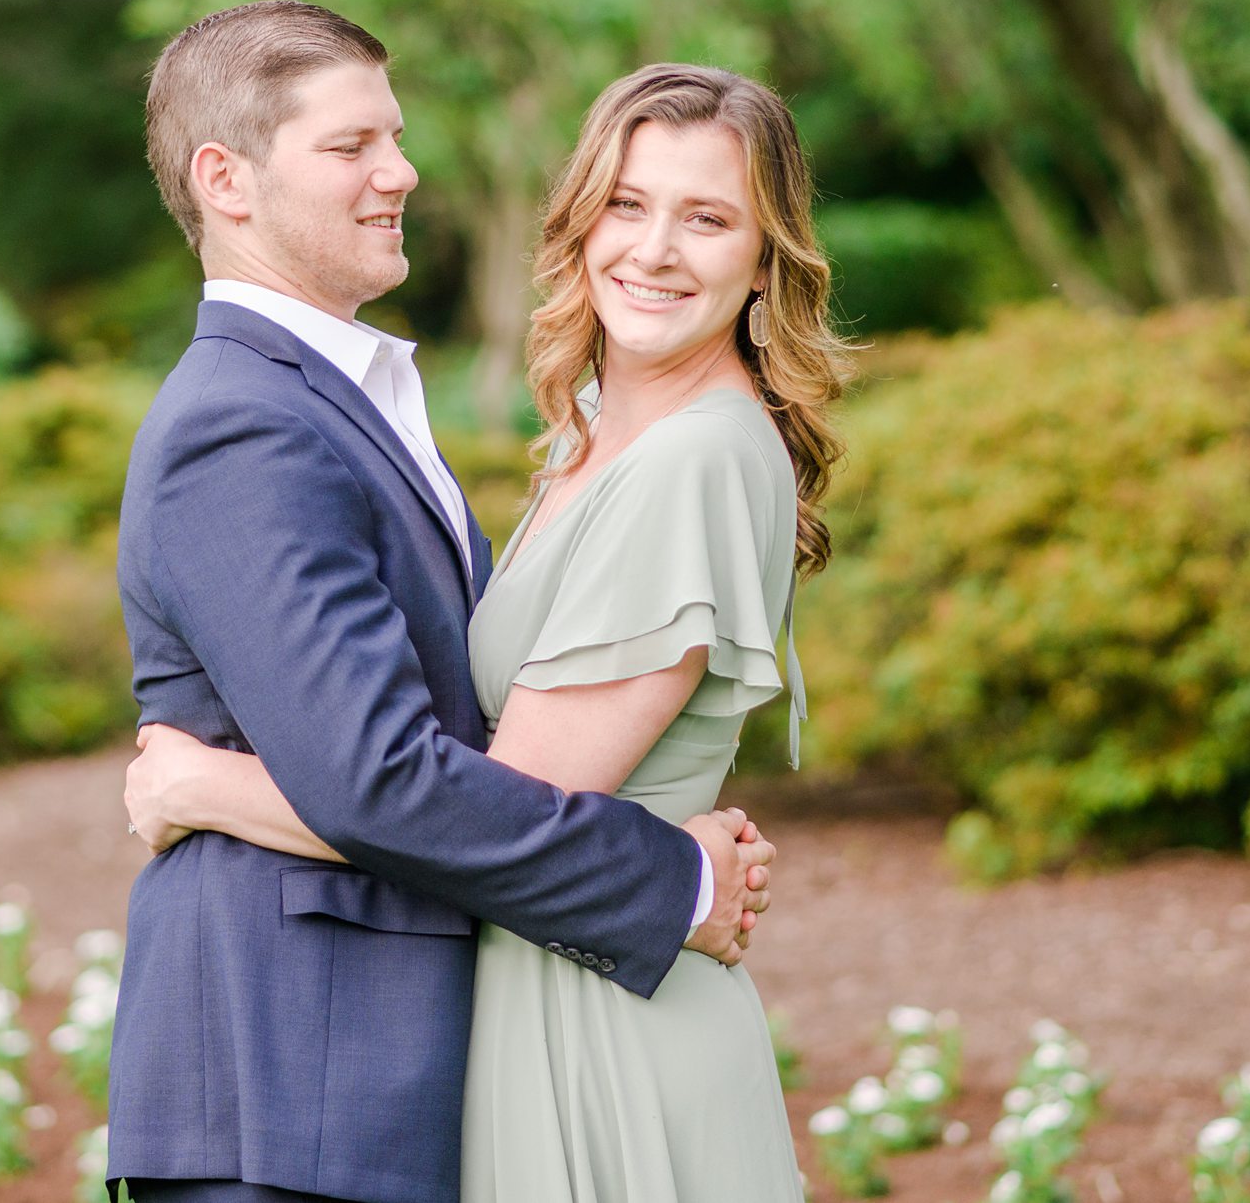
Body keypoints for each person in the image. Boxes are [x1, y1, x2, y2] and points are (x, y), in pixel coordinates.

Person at [127, 59, 849, 1202]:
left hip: (607, 1026)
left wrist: (202, 789)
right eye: (626, 203)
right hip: (529, 989)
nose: (654, 250)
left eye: (707, 219)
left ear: (765, 261)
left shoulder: (701, 457)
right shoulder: (588, 441)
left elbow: (491, 800)